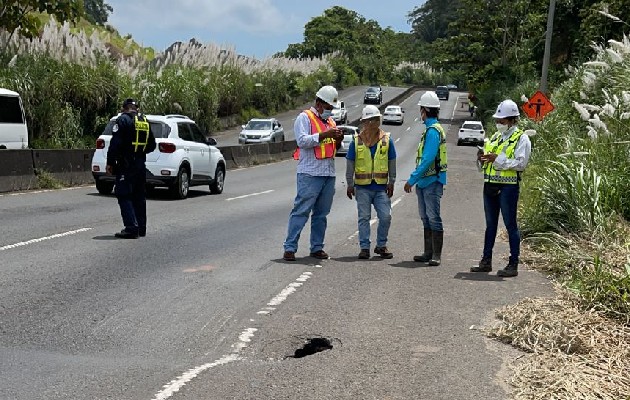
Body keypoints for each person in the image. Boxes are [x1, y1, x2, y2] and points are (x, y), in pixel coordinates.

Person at [283, 85, 344, 261]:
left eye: (331, 108)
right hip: (310, 173)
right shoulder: (304, 118)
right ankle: (290, 248)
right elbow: (302, 141)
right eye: (328, 108)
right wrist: (324, 135)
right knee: (301, 211)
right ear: (318, 103)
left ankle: (317, 247)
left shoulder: (331, 123)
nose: (329, 111)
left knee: (321, 214)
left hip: (328, 173)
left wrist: (337, 139)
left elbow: (333, 147)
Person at [470, 99, 531, 277]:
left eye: (502, 121)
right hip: (490, 185)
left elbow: (521, 164)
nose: (499, 124)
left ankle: (513, 264)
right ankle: (486, 261)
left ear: (512, 120)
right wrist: (481, 158)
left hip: (508, 187)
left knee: (510, 225)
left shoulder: (522, 138)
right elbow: (483, 166)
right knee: (490, 225)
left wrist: (497, 159)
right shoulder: (495, 137)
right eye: (497, 120)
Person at [346, 105, 397, 259]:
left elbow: (392, 162)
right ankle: (364, 248)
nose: (373, 124)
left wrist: (392, 182)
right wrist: (349, 184)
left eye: (375, 120)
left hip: (381, 188)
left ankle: (381, 245)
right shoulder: (356, 142)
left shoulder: (387, 140)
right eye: (369, 121)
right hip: (362, 188)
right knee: (364, 218)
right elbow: (350, 164)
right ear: (364, 122)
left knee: (386, 216)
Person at [404, 91, 447, 266]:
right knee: (425, 217)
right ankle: (428, 252)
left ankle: (436, 255)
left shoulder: (433, 131)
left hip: (432, 181)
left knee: (433, 217)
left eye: (421, 109)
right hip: (425, 182)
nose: (420, 113)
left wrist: (411, 179)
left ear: (425, 110)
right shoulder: (430, 130)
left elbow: (428, 158)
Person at [106, 98, 156, 239]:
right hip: (140, 164)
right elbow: (152, 145)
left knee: (123, 194)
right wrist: (139, 153)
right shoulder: (144, 121)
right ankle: (141, 228)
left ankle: (131, 228)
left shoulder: (123, 120)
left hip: (126, 165)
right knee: (139, 196)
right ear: (136, 108)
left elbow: (115, 143)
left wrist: (110, 162)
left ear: (124, 108)